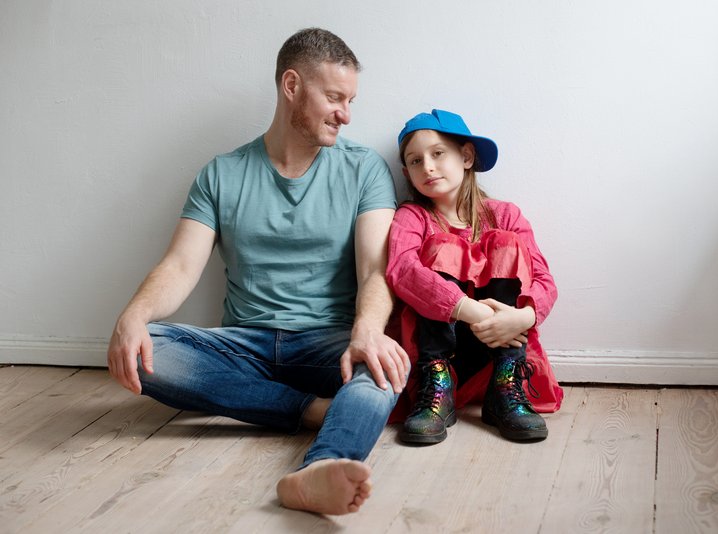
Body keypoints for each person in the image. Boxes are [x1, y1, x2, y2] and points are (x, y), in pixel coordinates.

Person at [106, 28, 410, 515]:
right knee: (151, 348)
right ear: (291, 86)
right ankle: (315, 412)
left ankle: (319, 468)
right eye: (334, 97)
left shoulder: (364, 170)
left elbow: (376, 269)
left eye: (350, 100)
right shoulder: (221, 174)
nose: (346, 114)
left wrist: (368, 330)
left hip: (328, 343)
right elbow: (181, 265)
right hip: (242, 345)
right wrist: (133, 315)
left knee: (385, 369)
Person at [386, 109, 563, 444]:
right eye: (414, 161)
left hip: (502, 341)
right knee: (443, 246)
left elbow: (544, 280)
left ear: (466, 156)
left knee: (505, 243)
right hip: (436, 345)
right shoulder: (413, 217)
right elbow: (402, 271)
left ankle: (505, 386)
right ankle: (437, 386)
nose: (427, 167)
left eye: (438, 154)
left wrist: (522, 317)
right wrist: (472, 310)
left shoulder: (505, 215)